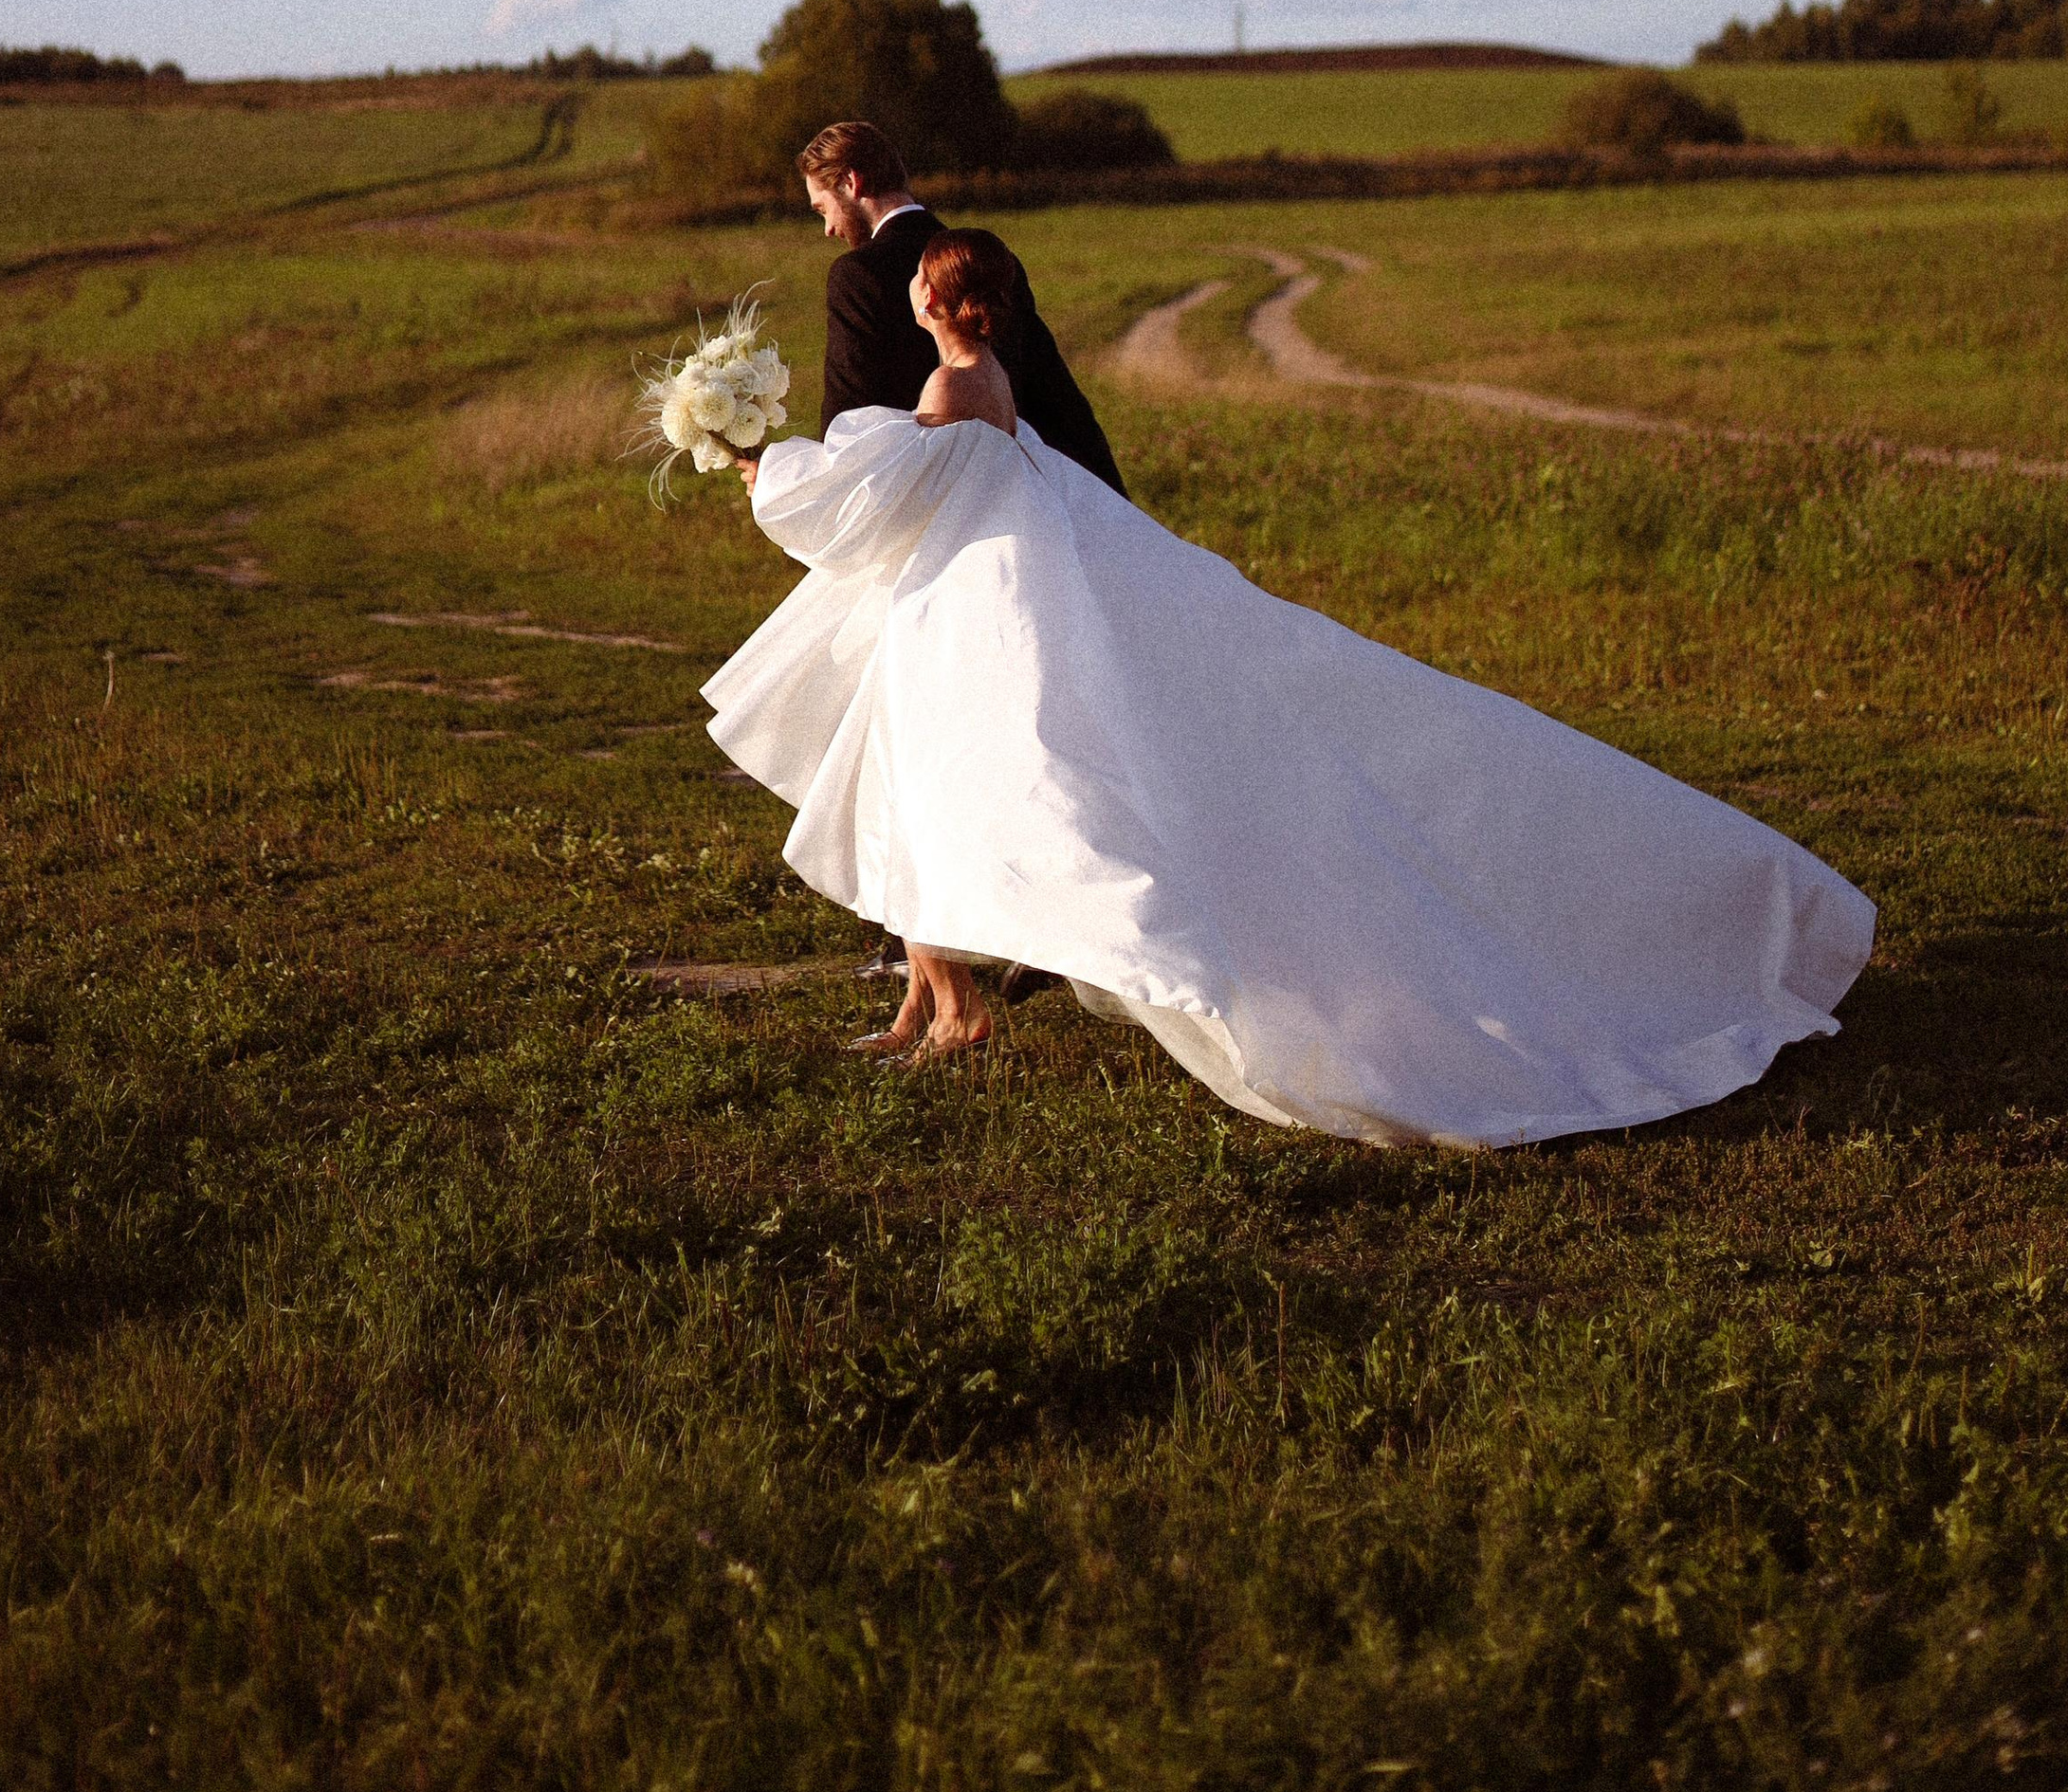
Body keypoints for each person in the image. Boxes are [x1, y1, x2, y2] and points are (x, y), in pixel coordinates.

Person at [712, 231, 1874, 1139]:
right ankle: (941, 1002)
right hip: (967, 616)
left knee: (987, 802)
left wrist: (747, 455)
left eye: (921, 285)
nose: (911, 293)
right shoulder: (987, 374)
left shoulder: (957, 388)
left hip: (981, 623)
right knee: (938, 798)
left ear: (939, 303)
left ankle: (962, 1001)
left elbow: (860, 503)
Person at [798, 119, 1125, 493]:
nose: (828, 229)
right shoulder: (987, 258)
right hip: (1021, 490)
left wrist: (796, 487)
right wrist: (1109, 504)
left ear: (851, 182)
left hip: (920, 501)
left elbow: (847, 415)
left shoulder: (858, 274)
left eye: (823, 209)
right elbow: (1052, 390)